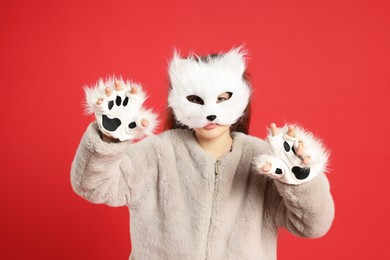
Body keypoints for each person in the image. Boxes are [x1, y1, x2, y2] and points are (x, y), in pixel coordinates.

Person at [71, 47, 334, 260]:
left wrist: (300, 182)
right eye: (196, 100)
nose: (211, 112)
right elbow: (92, 186)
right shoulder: (157, 154)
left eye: (223, 98)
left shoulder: (265, 163)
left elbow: (312, 226)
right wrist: (109, 137)